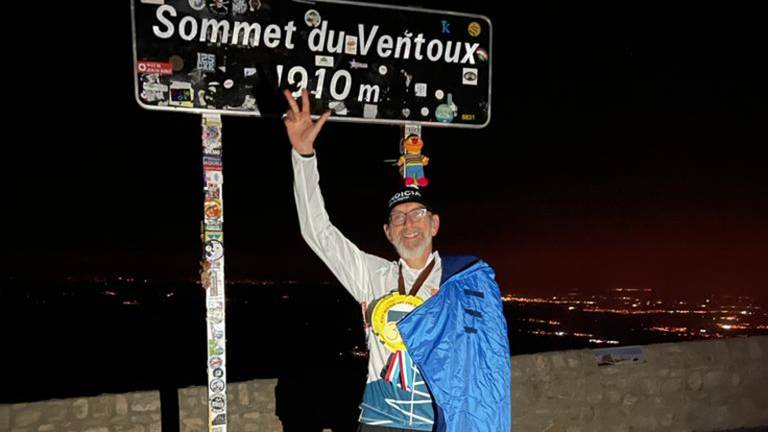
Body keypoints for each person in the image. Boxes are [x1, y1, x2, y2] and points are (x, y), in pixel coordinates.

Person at [283, 89, 511, 432]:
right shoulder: (371, 275)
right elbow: (318, 232)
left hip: (440, 421)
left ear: (434, 224)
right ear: (388, 232)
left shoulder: (462, 282)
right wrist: (303, 155)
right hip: (380, 422)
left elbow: (486, 362)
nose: (409, 224)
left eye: (418, 214)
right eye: (399, 218)